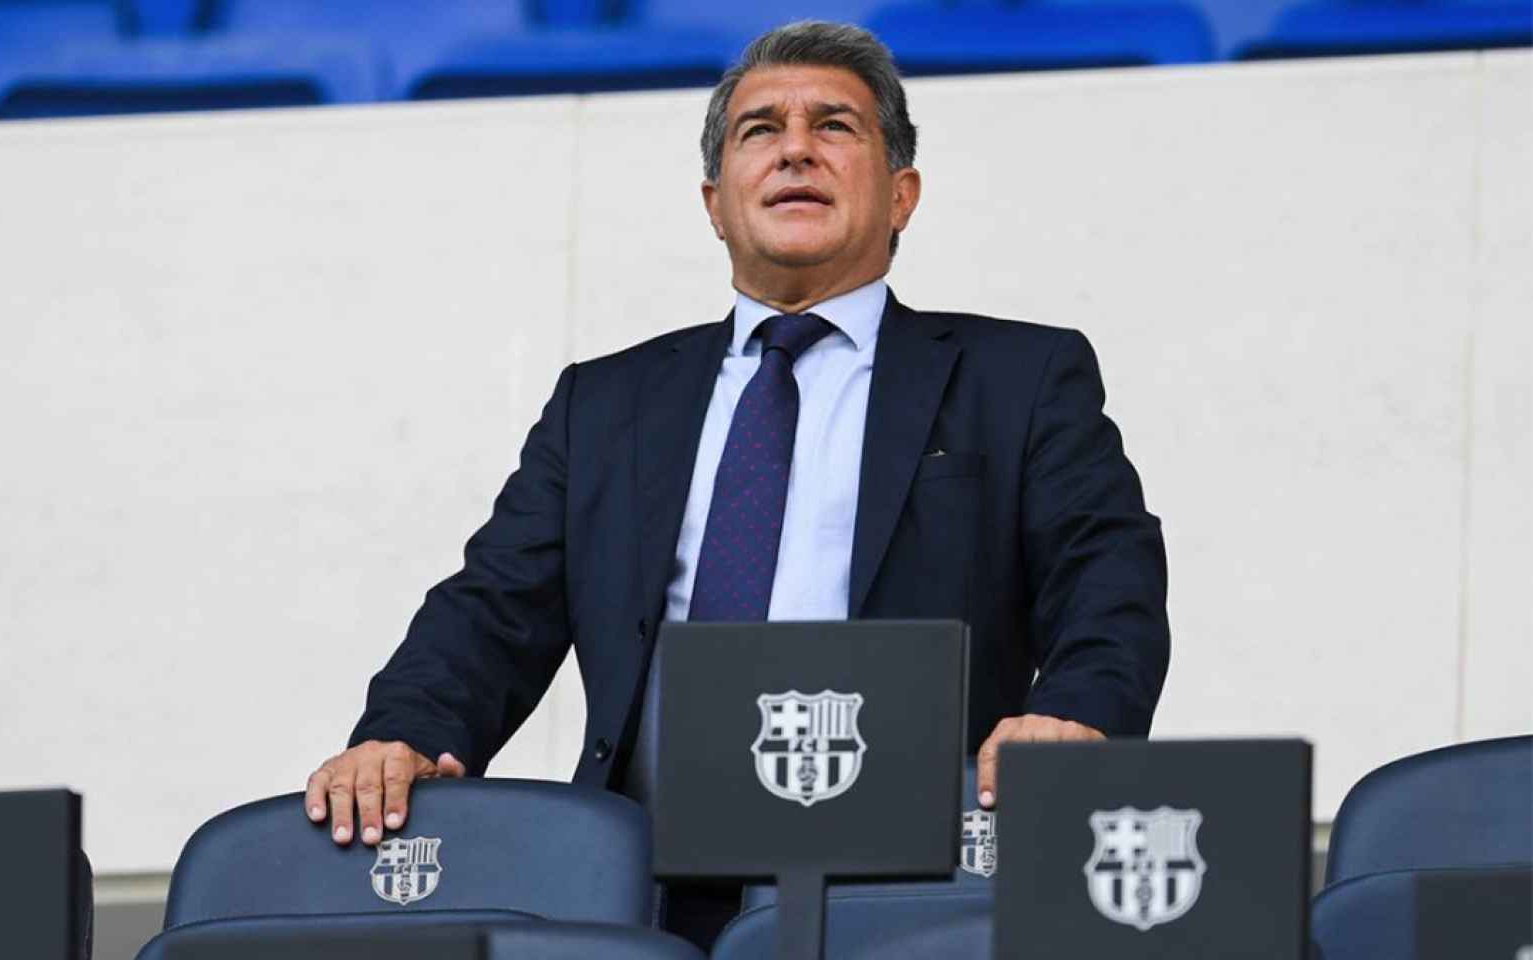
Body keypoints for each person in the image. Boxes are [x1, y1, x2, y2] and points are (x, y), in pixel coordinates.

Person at [305, 19, 1169, 941]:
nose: (796, 147)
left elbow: (1106, 572)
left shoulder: (1019, 378)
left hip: (915, 874)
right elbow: (493, 607)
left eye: (836, 126)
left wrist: (1075, 716)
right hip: (652, 879)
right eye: (761, 130)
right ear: (716, 202)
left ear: (902, 193)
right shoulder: (606, 405)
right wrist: (399, 733)